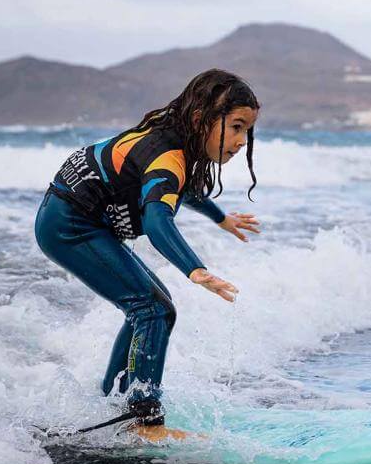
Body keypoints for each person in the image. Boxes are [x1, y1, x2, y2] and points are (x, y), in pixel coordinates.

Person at [34, 69, 260, 426]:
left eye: (247, 129)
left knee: (156, 308)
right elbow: (157, 220)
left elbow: (181, 187)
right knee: (151, 309)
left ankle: (114, 403)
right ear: (201, 120)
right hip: (69, 225)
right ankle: (143, 419)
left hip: (78, 217)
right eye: (236, 127)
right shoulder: (168, 156)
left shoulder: (176, 135)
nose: (242, 140)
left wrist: (219, 218)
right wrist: (195, 269)